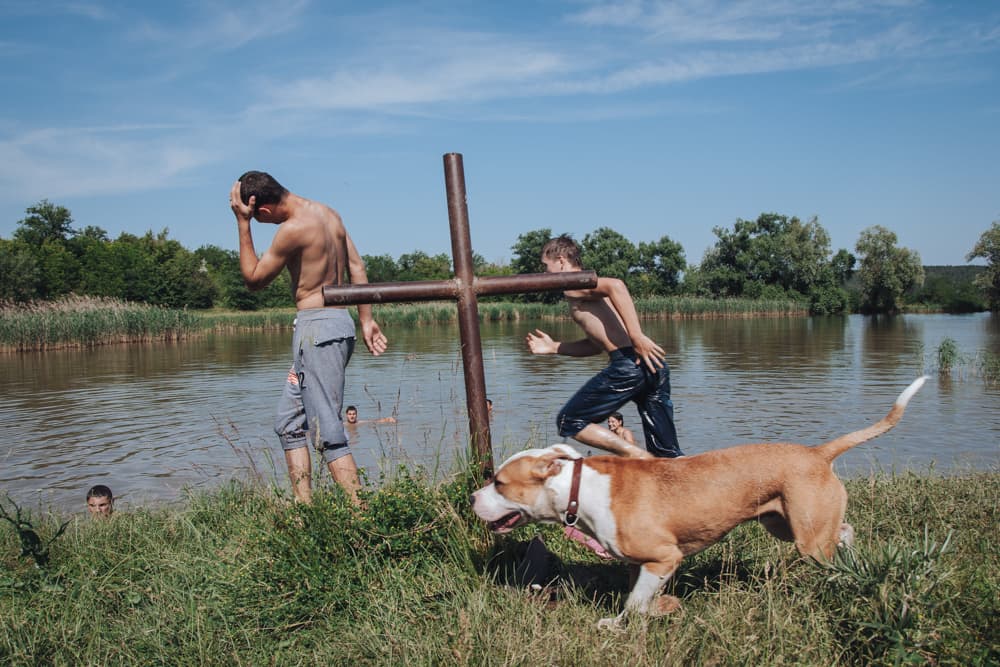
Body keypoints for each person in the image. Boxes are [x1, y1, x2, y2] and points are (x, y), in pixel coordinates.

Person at [230, 171, 388, 505]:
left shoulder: (292, 229)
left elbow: (254, 279)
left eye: (257, 219)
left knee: (328, 431)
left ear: (262, 209)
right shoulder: (329, 214)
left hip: (317, 332)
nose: (260, 223)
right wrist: (366, 319)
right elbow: (358, 268)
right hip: (334, 326)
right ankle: (304, 511)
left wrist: (243, 225)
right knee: (288, 422)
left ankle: (363, 516)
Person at [525, 234, 683, 459]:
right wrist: (554, 347)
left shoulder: (572, 285)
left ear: (560, 261)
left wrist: (637, 336)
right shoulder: (586, 287)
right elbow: (595, 346)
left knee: (569, 421)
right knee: (667, 454)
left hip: (629, 365)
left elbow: (616, 285)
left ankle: (637, 458)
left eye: (545, 266)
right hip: (652, 363)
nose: (545, 273)